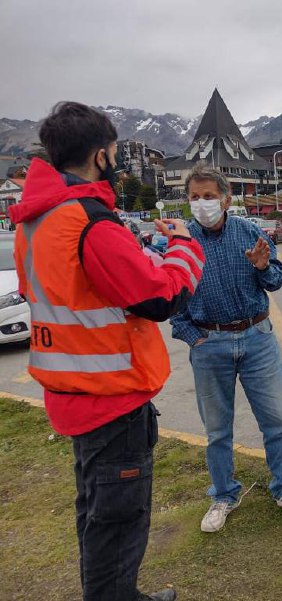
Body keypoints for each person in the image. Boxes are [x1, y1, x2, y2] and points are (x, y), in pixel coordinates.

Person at [10, 101, 205, 601]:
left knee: (97, 515)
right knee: (117, 522)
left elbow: (73, 294)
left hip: (72, 392)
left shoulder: (35, 223)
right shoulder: (91, 223)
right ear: (101, 156)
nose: (115, 161)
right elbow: (160, 299)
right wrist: (184, 248)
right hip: (111, 400)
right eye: (114, 152)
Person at [170, 163, 282, 533]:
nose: (202, 203)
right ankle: (223, 494)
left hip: (256, 338)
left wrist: (264, 267)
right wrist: (192, 336)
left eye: (209, 196)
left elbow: (276, 280)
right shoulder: (183, 242)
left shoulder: (249, 231)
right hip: (209, 343)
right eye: (195, 197)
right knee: (217, 430)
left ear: (225, 199)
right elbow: (171, 293)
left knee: (279, 421)